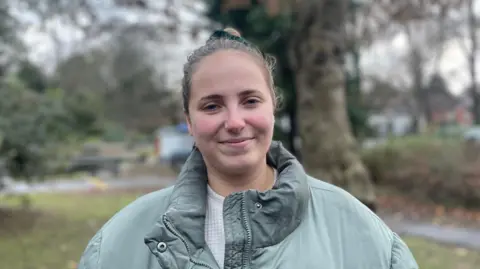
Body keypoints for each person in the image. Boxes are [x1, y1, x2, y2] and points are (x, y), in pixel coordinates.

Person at [78, 28, 418, 269]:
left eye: (250, 100)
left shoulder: (361, 234)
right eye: (212, 106)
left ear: (273, 107)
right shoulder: (117, 244)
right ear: (190, 121)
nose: (235, 121)